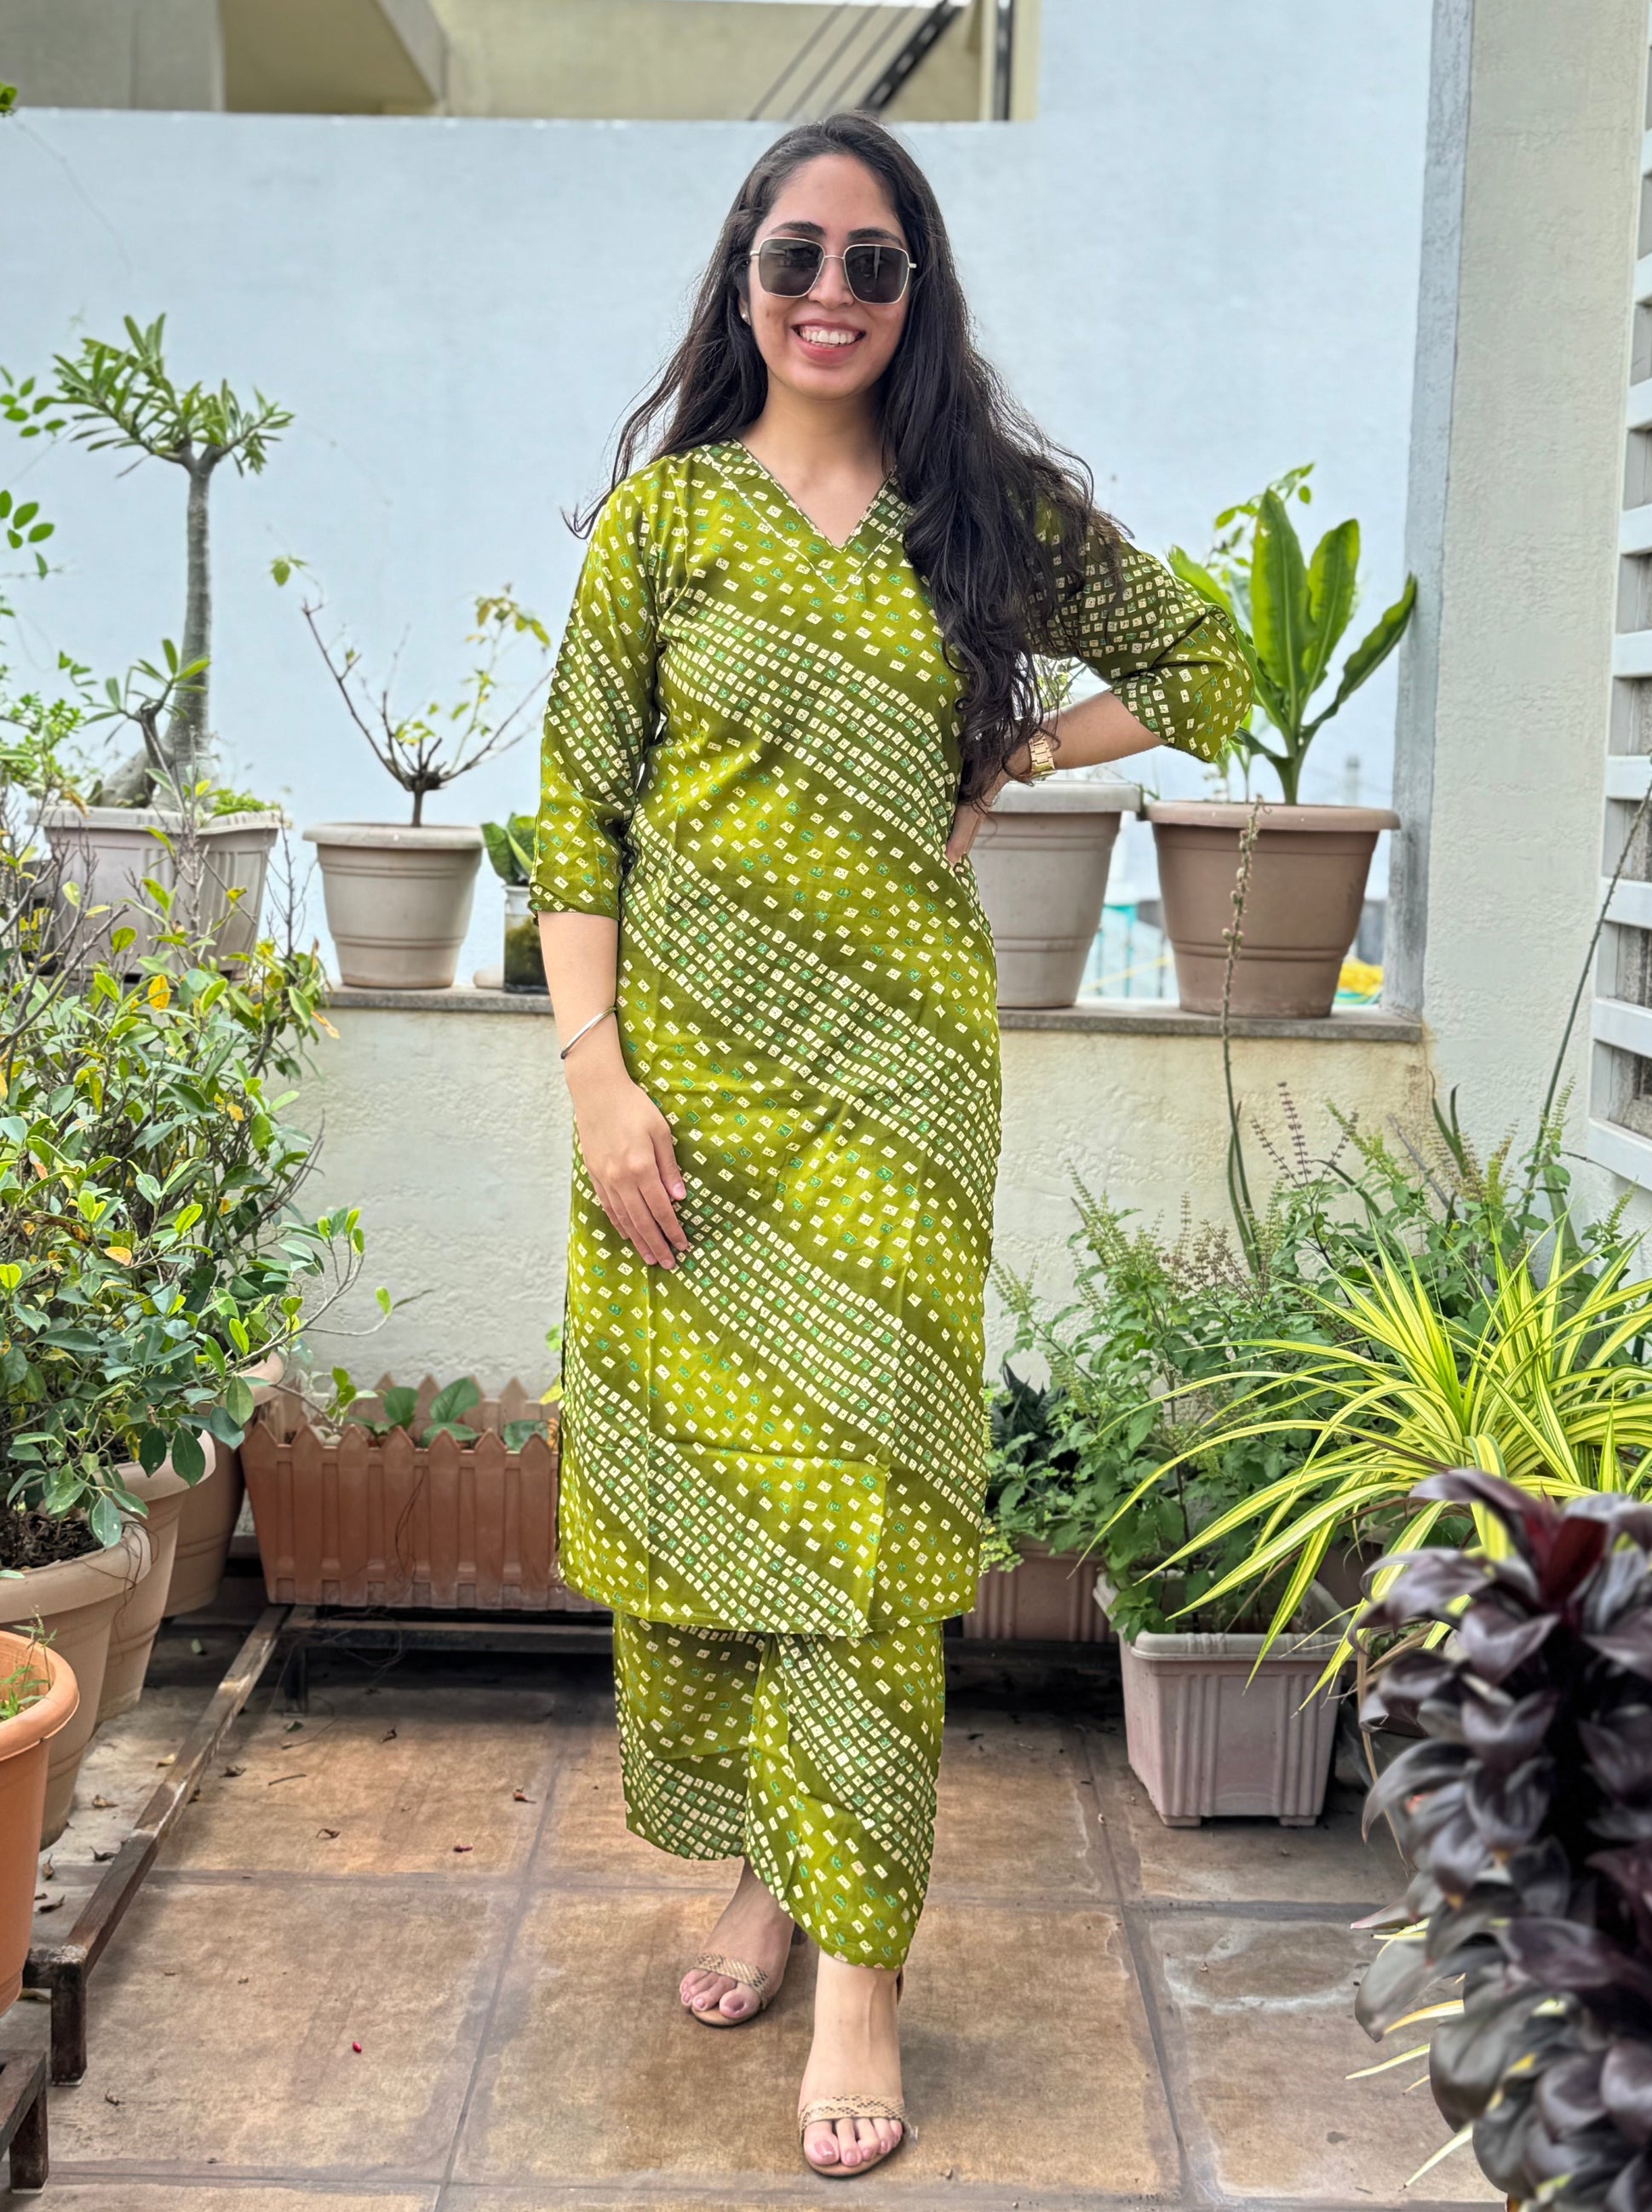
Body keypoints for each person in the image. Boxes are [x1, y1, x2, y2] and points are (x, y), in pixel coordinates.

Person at [531, 110, 1249, 2180]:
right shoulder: (662, 530)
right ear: (739, 286)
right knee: (708, 1506)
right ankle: (768, 1863)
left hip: (896, 1100)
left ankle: (863, 1975)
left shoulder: (974, 511)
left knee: (859, 1517)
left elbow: (1206, 660)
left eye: (871, 264)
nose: (830, 297)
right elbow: (573, 819)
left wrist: (1005, 747)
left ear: (913, 292)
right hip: (676, 1085)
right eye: (793, 262)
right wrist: (596, 1075)